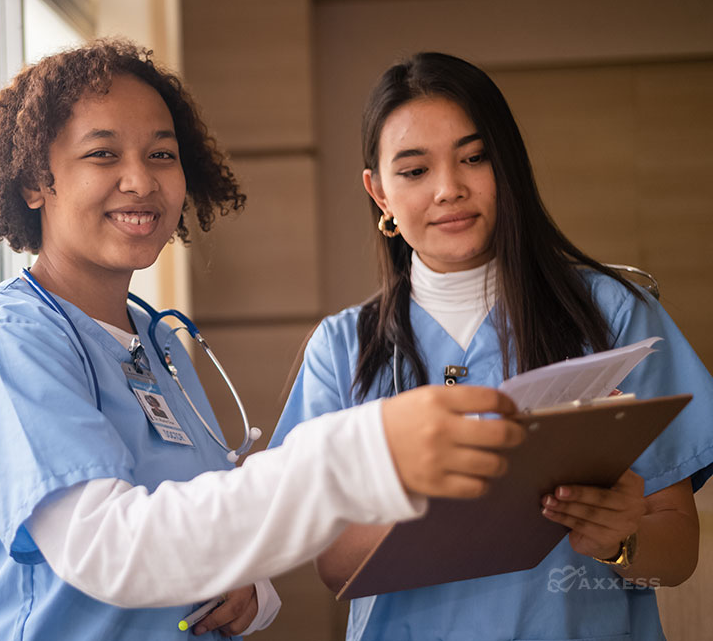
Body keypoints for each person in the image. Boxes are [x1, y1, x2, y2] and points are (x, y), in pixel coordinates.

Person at [0, 41, 527, 640]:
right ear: (37, 182)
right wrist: (360, 452)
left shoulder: (155, 344)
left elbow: (210, 520)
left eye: (162, 154)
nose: (140, 180)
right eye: (103, 154)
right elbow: (106, 550)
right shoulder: (11, 344)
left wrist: (253, 590)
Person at [270, 51, 713, 640]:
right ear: (379, 194)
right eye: (414, 171)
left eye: (474, 158)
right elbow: (334, 566)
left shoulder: (610, 313)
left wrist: (621, 540)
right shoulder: (342, 349)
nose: (449, 189)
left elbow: (678, 553)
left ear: (507, 165)